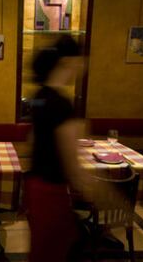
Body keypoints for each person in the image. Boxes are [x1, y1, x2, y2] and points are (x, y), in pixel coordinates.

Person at [25, 35, 87, 261]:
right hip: (52, 193)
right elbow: (73, 168)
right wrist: (109, 197)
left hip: (35, 187)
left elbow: (31, 139)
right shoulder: (62, 104)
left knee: (42, 251)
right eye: (80, 59)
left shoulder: (38, 97)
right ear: (66, 62)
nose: (83, 65)